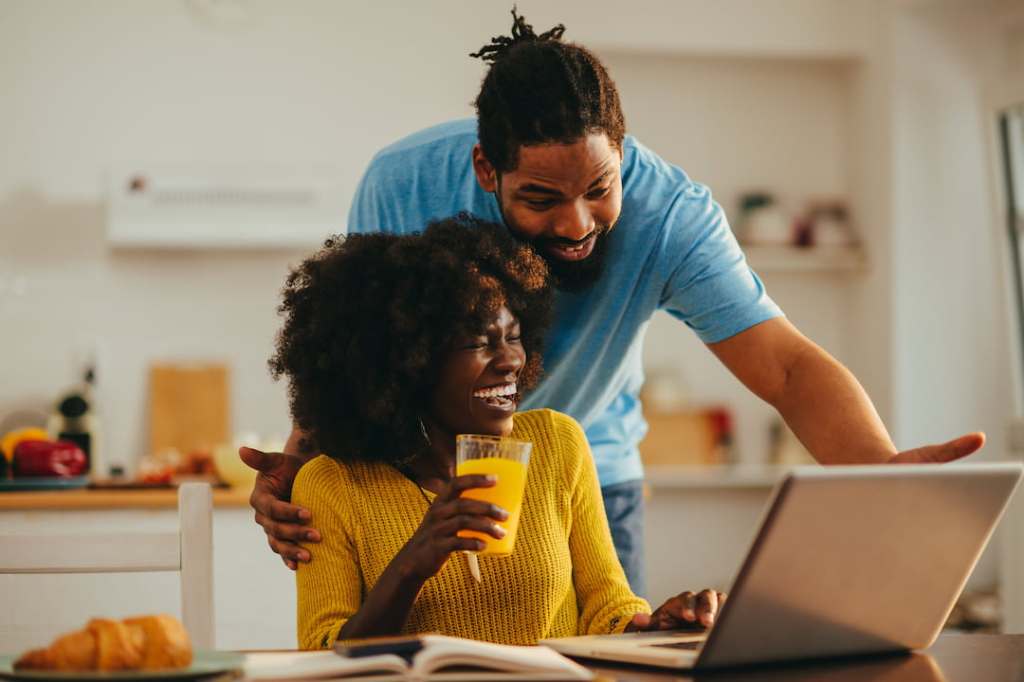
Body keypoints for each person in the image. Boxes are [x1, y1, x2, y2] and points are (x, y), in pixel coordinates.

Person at [242, 9, 984, 596]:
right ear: (485, 167)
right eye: (540, 198)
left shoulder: (671, 215)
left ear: (622, 155)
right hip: (420, 472)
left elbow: (785, 367)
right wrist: (306, 465)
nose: (575, 224)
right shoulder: (403, 182)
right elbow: (351, 348)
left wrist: (883, 478)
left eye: (600, 190)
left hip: (587, 474)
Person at [271, 215, 724, 648]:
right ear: (407, 363)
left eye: (513, 336)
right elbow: (322, 654)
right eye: (478, 343)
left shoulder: (555, 442)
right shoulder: (332, 485)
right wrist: (412, 565)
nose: (511, 361)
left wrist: (655, 627)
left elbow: (608, 608)